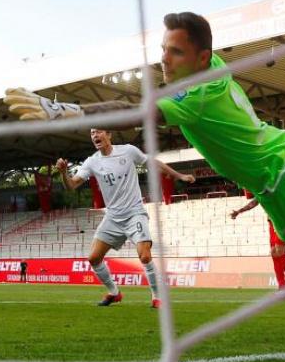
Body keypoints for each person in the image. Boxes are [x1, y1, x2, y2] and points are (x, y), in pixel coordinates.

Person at [5, 11, 285, 339]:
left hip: (276, 177)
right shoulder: (212, 67)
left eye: (176, 52)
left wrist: (69, 111)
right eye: (164, 49)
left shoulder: (193, 94)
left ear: (201, 58)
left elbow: (134, 114)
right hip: (277, 145)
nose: (164, 59)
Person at [56, 128, 195, 307]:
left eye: (98, 132)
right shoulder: (92, 162)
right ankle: (114, 293)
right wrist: (63, 173)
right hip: (113, 217)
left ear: (109, 135)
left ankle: (157, 297)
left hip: (134, 213)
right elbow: (72, 185)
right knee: (94, 258)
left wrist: (179, 175)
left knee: (144, 256)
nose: (95, 136)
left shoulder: (128, 151)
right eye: (92, 133)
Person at [230, 195, 285, 290]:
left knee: (279, 251)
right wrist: (239, 211)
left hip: (281, 222)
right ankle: (282, 285)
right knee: (274, 252)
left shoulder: (277, 190)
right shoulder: (261, 193)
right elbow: (252, 203)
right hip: (272, 223)